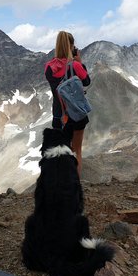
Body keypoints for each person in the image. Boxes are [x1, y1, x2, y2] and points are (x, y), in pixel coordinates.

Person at [44, 31, 91, 176]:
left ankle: (61, 185)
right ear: (71, 46)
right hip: (75, 114)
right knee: (76, 150)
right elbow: (87, 81)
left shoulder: (49, 67)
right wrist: (79, 62)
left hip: (58, 116)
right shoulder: (75, 66)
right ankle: (74, 186)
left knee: (61, 153)